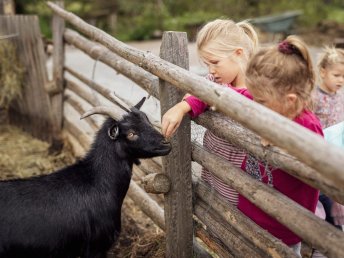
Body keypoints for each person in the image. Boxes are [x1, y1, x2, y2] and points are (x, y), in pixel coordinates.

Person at [236, 36, 323, 257]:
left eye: (260, 101)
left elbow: (316, 171)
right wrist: (188, 104)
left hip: (282, 228)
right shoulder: (265, 102)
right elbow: (228, 95)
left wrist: (280, 140)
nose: (253, 104)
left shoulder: (307, 128)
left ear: (290, 100)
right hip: (249, 213)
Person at [161, 19, 259, 206]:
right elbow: (202, 90)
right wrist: (181, 107)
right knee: (213, 205)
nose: (211, 70)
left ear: (238, 54)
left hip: (237, 170)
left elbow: (222, 95)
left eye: (215, 62)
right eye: (207, 65)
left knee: (232, 211)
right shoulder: (217, 80)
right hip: (214, 163)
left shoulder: (257, 91)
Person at [312, 46, 344, 237]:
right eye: (337, 75)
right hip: (319, 150)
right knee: (323, 192)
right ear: (323, 72)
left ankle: (335, 229)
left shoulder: (340, 97)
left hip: (336, 151)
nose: (341, 80)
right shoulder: (314, 97)